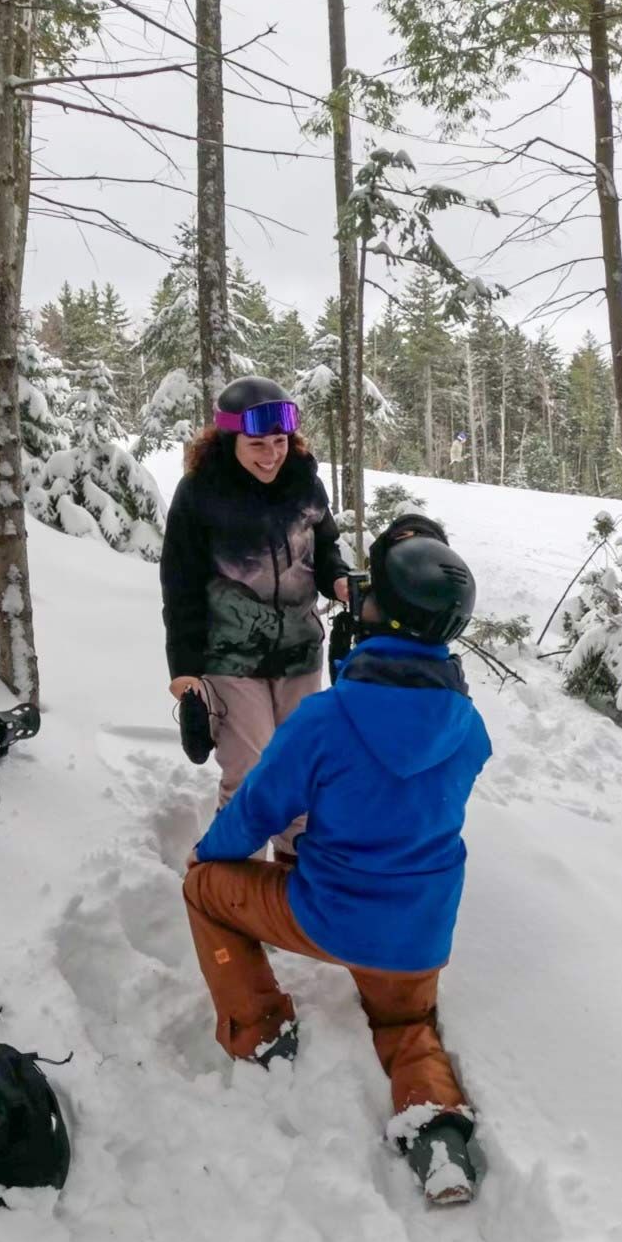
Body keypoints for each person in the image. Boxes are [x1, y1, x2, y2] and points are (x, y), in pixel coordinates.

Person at [180, 515, 493, 1203]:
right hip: (419, 935)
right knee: (408, 1025)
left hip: (330, 914)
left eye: (372, 592)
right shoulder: (469, 726)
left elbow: (256, 812)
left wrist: (209, 855)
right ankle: (437, 1129)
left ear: (388, 615)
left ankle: (258, 1030)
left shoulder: (326, 717)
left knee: (205, 888)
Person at [160, 376, 350, 863]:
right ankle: (230, 879)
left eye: (280, 442)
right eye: (257, 444)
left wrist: (341, 581)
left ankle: (293, 869)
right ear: (229, 439)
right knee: (251, 770)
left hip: (301, 652)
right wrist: (183, 667)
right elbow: (179, 584)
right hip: (230, 655)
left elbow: (324, 548)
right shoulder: (201, 493)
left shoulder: (304, 480)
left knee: (299, 765)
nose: (271, 455)